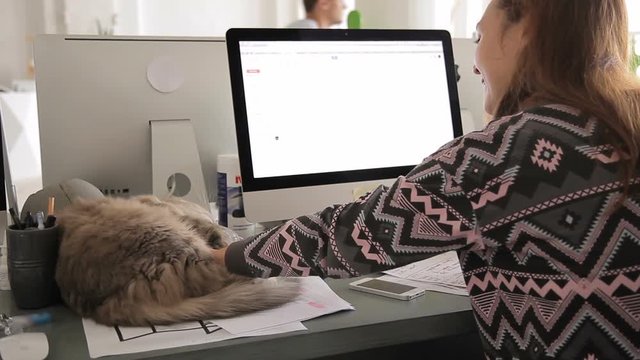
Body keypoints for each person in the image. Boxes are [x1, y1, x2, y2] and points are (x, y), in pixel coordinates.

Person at [214, 0, 640, 358]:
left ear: (524, 28)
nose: (473, 67)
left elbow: (348, 235)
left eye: (477, 38)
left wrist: (222, 257)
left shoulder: (504, 154)